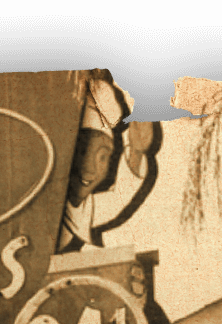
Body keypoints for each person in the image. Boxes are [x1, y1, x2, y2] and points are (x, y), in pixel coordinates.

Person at [57, 74, 161, 254]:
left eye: (103, 157)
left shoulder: (83, 213)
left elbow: (119, 196)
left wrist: (136, 153)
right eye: (80, 153)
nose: (89, 170)